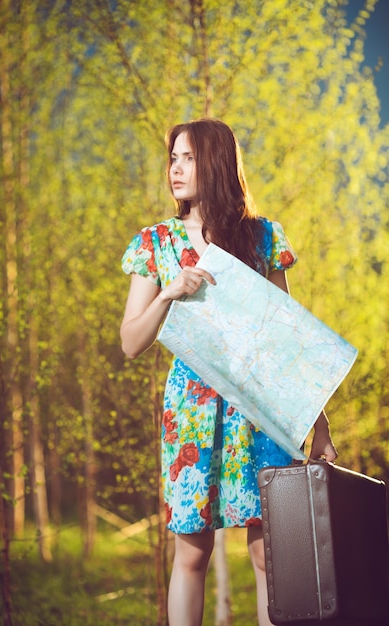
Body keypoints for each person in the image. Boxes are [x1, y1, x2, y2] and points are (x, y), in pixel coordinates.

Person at [120, 118, 338, 626]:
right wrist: (169, 293)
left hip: (262, 411)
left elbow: (289, 345)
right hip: (192, 414)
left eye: (188, 158)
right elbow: (131, 342)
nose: (175, 169)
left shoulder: (262, 238)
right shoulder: (156, 243)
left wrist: (319, 423)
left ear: (216, 162)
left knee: (270, 556)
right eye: (172, 158)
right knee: (192, 554)